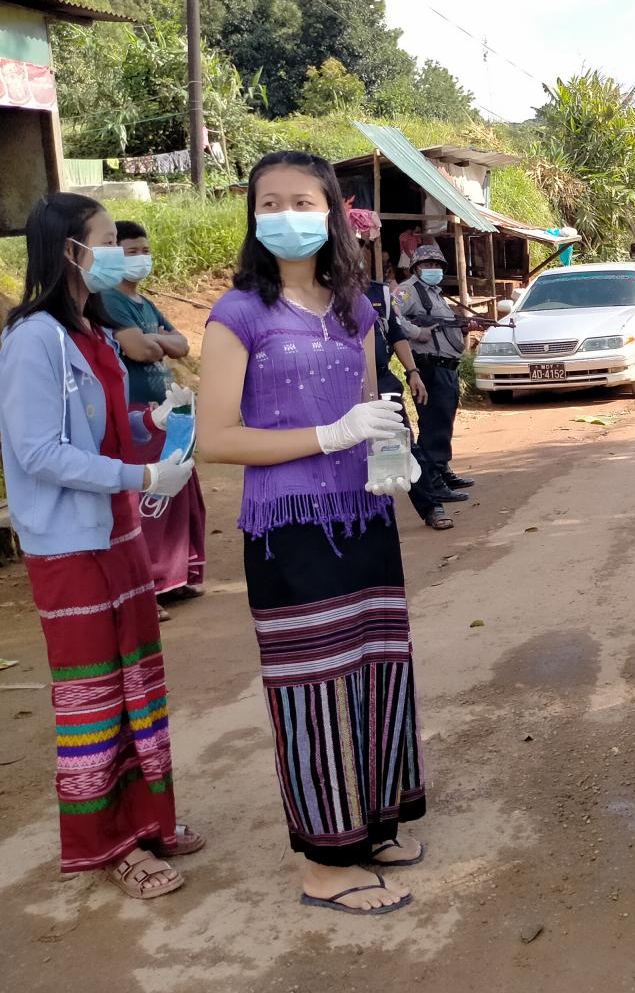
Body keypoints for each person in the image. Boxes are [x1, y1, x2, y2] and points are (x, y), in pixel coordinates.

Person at [196, 152, 426, 915]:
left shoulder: (355, 310)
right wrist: (328, 437)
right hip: (289, 531)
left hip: (364, 517)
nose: (285, 214)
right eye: (270, 202)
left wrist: (387, 450)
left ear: (331, 213)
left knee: (378, 671)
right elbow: (215, 438)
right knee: (314, 691)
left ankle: (376, 824)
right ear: (253, 216)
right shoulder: (238, 314)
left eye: (302, 200)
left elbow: (367, 402)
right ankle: (325, 863)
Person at [0, 193, 203, 900]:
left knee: (136, 680)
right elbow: (37, 451)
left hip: (117, 531)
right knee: (93, 693)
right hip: (69, 544)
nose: (121, 253)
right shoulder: (33, 339)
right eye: (109, 239)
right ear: (71, 250)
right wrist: (138, 475)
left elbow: (102, 431)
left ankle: (149, 820)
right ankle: (110, 843)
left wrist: (156, 423)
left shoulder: (91, 331)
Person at [102, 220, 207, 618]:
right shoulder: (110, 301)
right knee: (147, 503)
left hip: (165, 412)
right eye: (131, 252)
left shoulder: (145, 304)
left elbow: (181, 345)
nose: (140, 258)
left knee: (175, 497)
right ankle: (145, 589)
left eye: (144, 251)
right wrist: (158, 343)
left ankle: (171, 580)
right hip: (136, 416)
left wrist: (156, 341)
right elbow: (139, 350)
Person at [366, 262, 452, 531]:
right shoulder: (323, 294)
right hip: (344, 384)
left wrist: (412, 372)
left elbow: (395, 332)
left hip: (382, 380)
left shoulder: (380, 293)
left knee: (403, 444)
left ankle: (431, 506)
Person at [396, 243, 474, 506]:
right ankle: (433, 482)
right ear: (416, 268)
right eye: (428, 265)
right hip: (429, 367)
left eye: (437, 265)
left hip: (446, 366)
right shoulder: (408, 291)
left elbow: (444, 327)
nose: (434, 269)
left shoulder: (435, 294)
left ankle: (441, 470)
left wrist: (464, 328)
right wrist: (417, 333)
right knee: (433, 425)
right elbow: (391, 317)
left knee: (443, 422)